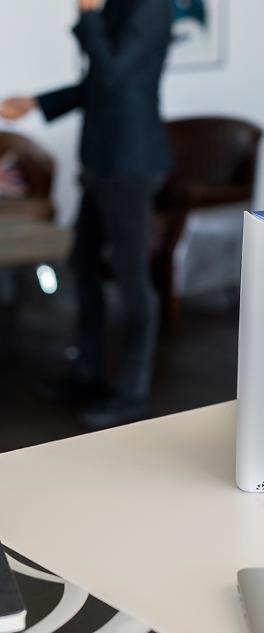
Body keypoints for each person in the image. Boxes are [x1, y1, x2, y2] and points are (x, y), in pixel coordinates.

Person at [0, 0, 173, 428]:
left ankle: (132, 391)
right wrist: (37, 102)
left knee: (132, 279)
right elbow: (96, 83)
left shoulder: (151, 7)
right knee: (83, 265)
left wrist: (90, 16)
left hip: (131, 162)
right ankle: (88, 372)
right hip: (100, 160)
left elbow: (113, 74)